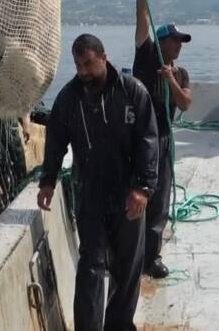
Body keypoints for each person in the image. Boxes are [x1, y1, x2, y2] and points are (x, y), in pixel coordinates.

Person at [38, 34, 159, 331]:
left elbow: (149, 141)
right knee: (91, 266)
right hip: (90, 193)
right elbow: (55, 142)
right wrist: (48, 180)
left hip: (129, 192)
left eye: (89, 64)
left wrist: (143, 188)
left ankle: (118, 326)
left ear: (104, 58)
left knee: (128, 267)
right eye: (78, 65)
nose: (83, 72)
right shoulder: (69, 98)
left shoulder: (133, 92)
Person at [132, 0, 192, 280]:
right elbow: (141, 14)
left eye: (182, 42)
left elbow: (185, 104)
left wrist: (170, 80)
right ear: (163, 40)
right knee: (137, 194)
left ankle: (151, 256)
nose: (180, 45)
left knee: (160, 201)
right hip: (141, 138)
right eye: (176, 40)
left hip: (164, 140)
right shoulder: (146, 56)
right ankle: (130, 253)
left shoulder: (180, 73)